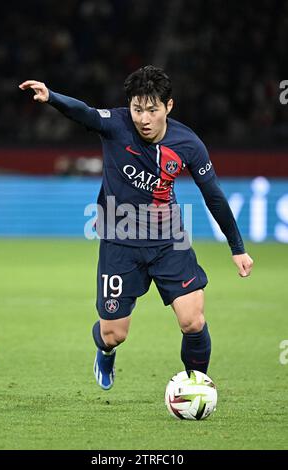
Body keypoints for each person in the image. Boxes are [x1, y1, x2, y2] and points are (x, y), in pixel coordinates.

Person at [19, 66, 253, 390]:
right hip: (120, 240)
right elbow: (84, 113)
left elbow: (212, 195)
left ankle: (197, 387)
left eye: (152, 110)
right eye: (137, 109)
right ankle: (105, 350)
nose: (143, 118)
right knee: (114, 333)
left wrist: (237, 247)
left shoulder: (188, 144)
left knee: (193, 319)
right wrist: (51, 97)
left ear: (168, 106)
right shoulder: (115, 125)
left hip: (168, 239)